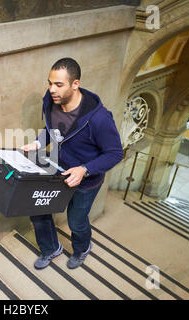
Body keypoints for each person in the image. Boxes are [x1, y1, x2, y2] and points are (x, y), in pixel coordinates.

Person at [21, 57, 124, 270]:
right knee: (37, 208)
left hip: (85, 182)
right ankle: (51, 248)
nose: (52, 89)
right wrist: (38, 143)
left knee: (76, 221)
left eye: (59, 84)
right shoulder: (52, 101)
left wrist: (85, 169)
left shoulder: (99, 119)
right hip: (56, 169)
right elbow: (51, 130)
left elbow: (115, 153)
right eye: (50, 83)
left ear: (75, 84)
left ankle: (82, 249)